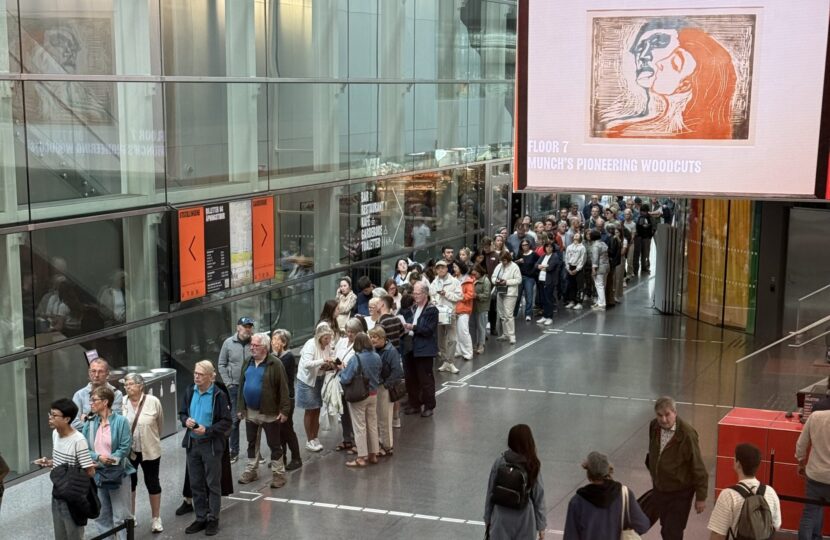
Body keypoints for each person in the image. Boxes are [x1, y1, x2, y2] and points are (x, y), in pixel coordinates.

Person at [605, 20, 738, 139]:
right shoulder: (619, 132)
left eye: (657, 43)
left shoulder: (713, 134)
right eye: (639, 49)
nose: (643, 55)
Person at [179, 360, 232, 536]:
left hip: (210, 445)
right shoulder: (190, 391)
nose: (196, 376)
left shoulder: (219, 395)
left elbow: (226, 422)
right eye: (195, 373)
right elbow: (183, 412)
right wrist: (185, 420)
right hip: (193, 444)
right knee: (196, 483)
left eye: (200, 374)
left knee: (212, 484)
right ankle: (200, 517)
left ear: (210, 376)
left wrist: (207, 430)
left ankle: (213, 519)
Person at [645, 396, 708, 540]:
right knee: (665, 529)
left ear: (675, 412)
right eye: (660, 415)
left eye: (667, 414)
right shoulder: (654, 426)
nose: (664, 419)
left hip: (680, 493)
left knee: (673, 532)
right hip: (661, 489)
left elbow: (698, 467)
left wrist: (701, 497)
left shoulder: (687, 434)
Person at [35, 398, 96, 540]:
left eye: (54, 415)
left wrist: (71, 476)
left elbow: (90, 471)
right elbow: (61, 461)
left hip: (73, 497)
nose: (50, 418)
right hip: (57, 492)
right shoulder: (55, 433)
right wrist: (49, 462)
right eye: (50, 414)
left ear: (67, 419)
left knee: (74, 535)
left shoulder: (78, 440)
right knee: (60, 535)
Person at [236, 333, 291, 489]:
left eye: (256, 345)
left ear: (265, 347)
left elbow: (284, 389)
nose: (252, 348)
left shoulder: (275, 364)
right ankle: (251, 471)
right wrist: (240, 407)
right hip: (251, 411)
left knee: (274, 444)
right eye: (251, 345)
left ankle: (279, 474)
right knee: (252, 443)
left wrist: (285, 411)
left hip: (270, 412)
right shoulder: (247, 362)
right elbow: (241, 386)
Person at [82, 386, 136, 540]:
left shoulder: (121, 421)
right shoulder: (91, 422)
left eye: (94, 400)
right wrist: (99, 458)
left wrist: (110, 460)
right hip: (97, 473)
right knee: (102, 516)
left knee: (121, 515)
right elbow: (84, 446)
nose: (91, 403)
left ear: (105, 402)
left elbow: (125, 447)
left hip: (117, 473)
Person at [564, 451, 650, 539]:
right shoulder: (625, 494)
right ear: (608, 471)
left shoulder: (577, 502)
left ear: (588, 474)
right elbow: (643, 525)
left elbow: (570, 537)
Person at [484, 424, 546, 540]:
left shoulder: (500, 461)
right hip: (525, 518)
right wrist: (541, 526)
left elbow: (491, 492)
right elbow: (539, 497)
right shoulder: (532, 464)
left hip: (500, 515)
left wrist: (488, 518)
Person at [707, 443, 780, 540]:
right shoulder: (770, 492)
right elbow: (775, 526)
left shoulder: (728, 495)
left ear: (738, 464)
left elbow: (718, 534)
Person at [123, 373, 164, 533]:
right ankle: (131, 516)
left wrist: (152, 439)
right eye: (126, 384)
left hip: (150, 451)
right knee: (130, 484)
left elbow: (159, 425)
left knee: (152, 482)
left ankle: (156, 518)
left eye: (131, 384)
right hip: (129, 452)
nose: (128, 387)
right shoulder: (122, 403)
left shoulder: (153, 402)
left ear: (141, 386)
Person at [339, 332, 382, 467]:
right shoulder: (376, 356)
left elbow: (346, 378)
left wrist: (341, 370)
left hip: (360, 396)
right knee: (372, 425)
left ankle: (361, 457)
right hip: (374, 394)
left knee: (359, 427)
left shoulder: (356, 358)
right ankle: (373, 454)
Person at [217, 316, 255, 463]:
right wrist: (228, 383)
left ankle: (253, 451)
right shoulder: (228, 343)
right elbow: (221, 364)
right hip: (234, 387)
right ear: (238, 327)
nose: (248, 329)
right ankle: (234, 451)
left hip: (251, 386)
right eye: (246, 326)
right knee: (235, 419)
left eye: (250, 326)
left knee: (252, 419)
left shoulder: (255, 342)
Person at [296, 322, 336, 452]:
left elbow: (331, 357)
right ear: (319, 336)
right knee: (310, 409)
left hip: (319, 378)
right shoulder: (310, 344)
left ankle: (315, 437)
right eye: (326, 338)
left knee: (317, 408)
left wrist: (330, 365)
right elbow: (307, 364)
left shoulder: (328, 345)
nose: (328, 341)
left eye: (329, 338)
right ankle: (309, 439)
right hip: (307, 381)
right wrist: (323, 361)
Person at [402, 282, 439, 417]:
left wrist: (413, 327)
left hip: (424, 349)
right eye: (414, 293)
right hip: (410, 347)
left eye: (417, 294)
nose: (415, 296)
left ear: (425, 294)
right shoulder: (413, 308)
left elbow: (428, 330)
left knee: (425, 379)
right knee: (410, 378)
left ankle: (429, 405)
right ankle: (414, 404)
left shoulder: (432, 310)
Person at [796, 403, 830, 539]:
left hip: (815, 475)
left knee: (809, 515)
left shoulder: (815, 416)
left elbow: (801, 444)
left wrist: (801, 463)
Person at [270, 329, 302, 471]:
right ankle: (280, 457)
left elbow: (279, 372)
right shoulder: (275, 357)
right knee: (278, 430)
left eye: (276, 339)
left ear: (283, 342)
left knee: (287, 428)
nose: (273, 342)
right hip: (276, 398)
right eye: (272, 339)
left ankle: (296, 458)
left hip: (286, 399)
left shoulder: (287, 357)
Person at [370, 327, 403, 457]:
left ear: (383, 338)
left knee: (385, 418)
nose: (372, 339)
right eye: (371, 337)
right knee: (377, 417)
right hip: (376, 386)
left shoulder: (391, 352)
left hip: (384, 388)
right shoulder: (375, 350)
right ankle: (380, 443)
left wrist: (385, 385)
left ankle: (387, 446)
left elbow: (397, 372)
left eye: (375, 337)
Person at [429, 259, 462, 374]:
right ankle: (445, 361)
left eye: (443, 267)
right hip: (438, 313)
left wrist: (446, 294)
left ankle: (451, 362)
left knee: (452, 338)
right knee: (441, 339)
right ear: (436, 270)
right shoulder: (434, 282)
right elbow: (431, 296)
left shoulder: (454, 281)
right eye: (438, 268)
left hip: (450, 313)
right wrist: (434, 301)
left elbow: (459, 297)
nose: (441, 269)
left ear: (447, 269)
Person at [72, 358, 123, 429]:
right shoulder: (79, 395)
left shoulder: (116, 394)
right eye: (93, 371)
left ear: (107, 373)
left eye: (100, 371)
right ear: (89, 373)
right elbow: (74, 424)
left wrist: (86, 419)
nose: (96, 375)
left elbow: (115, 423)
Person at [333, 319, 361, 454]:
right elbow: (335, 353)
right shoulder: (342, 341)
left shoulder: (360, 344)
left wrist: (344, 366)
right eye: (348, 331)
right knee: (343, 411)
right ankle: (347, 438)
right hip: (340, 378)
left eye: (352, 332)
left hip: (352, 381)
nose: (349, 334)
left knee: (353, 412)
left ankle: (357, 440)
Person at [493, 251, 522, 345]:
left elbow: (519, 280)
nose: (503, 262)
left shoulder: (514, 267)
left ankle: (512, 336)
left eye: (504, 260)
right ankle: (505, 334)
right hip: (500, 292)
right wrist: (496, 281)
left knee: (509, 314)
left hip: (510, 293)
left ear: (508, 259)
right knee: (501, 314)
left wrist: (506, 282)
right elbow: (493, 277)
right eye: (501, 260)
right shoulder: (499, 266)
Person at [454, 260, 475, 362]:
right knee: (456, 333)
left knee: (463, 332)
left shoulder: (468, 280)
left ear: (460, 269)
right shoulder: (454, 279)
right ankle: (458, 351)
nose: (454, 269)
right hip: (455, 310)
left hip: (464, 310)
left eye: (455, 267)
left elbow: (470, 295)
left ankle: (468, 353)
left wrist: (459, 297)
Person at [535, 242, 561, 325]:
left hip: (549, 281)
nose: (548, 248)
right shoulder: (543, 256)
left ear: (553, 248)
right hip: (541, 279)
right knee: (543, 299)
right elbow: (536, 265)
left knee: (548, 299)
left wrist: (541, 267)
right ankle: (545, 316)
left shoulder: (555, 256)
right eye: (547, 247)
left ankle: (549, 317)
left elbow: (550, 268)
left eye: (550, 247)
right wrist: (543, 266)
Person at [515, 240, 539, 321]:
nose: (525, 246)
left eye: (526, 244)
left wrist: (533, 272)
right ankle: (514, 313)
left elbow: (538, 263)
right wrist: (518, 261)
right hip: (520, 277)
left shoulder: (534, 254)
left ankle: (528, 314)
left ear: (529, 245)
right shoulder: (520, 254)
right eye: (523, 245)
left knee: (529, 296)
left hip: (530, 278)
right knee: (517, 297)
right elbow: (514, 264)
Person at [471, 264, 492, 355]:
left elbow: (487, 295)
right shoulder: (474, 280)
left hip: (481, 307)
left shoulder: (486, 281)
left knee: (481, 327)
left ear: (479, 272)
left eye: (475, 274)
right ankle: (474, 343)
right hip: (473, 306)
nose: (474, 276)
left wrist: (477, 296)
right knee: (473, 326)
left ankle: (481, 345)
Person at [588, 230, 609, 311]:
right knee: (602, 285)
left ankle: (602, 304)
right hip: (606, 266)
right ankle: (600, 301)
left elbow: (595, 259)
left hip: (600, 268)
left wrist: (593, 269)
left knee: (599, 285)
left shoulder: (595, 246)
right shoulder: (603, 243)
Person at [634, 203, 654, 274]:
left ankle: (644, 267)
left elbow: (652, 227)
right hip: (640, 238)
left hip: (646, 238)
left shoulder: (648, 217)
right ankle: (638, 269)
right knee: (638, 254)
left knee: (645, 254)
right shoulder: (639, 217)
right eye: (642, 211)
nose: (643, 213)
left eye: (644, 211)